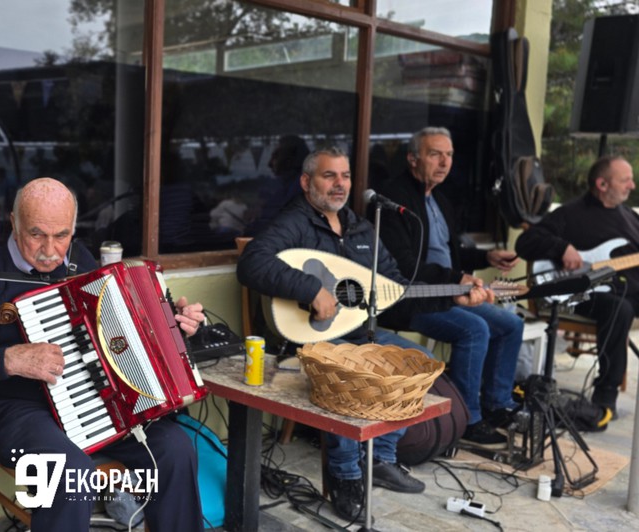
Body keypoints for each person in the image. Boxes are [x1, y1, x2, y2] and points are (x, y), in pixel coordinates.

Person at [0, 177, 207, 532]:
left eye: (62, 235)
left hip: (98, 406)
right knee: (70, 472)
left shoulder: (82, 261)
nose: (50, 250)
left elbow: (123, 340)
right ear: (14, 223)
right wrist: (9, 359)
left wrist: (175, 327)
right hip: (20, 411)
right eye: (36, 234)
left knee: (176, 449)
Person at [237, 146, 490, 523]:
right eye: (329, 176)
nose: (340, 184)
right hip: (307, 340)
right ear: (306, 182)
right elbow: (252, 262)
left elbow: (397, 288)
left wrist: (452, 294)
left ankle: (381, 458)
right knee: (351, 372)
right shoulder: (295, 222)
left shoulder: (361, 229)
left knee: (417, 364)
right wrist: (311, 289)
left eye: (345, 176)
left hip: (358, 334)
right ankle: (345, 475)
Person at [375, 127, 523, 448]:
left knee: (511, 324)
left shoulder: (440, 199)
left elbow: (450, 253)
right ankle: (467, 420)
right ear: (413, 159)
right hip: (411, 299)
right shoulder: (393, 199)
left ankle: (497, 405)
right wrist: (456, 279)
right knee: (475, 329)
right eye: (435, 154)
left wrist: (485, 257)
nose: (444, 162)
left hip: (448, 294)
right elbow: (403, 265)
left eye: (449, 155)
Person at [516, 155, 638, 427]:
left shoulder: (630, 216)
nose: (632, 185)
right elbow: (525, 242)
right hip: (585, 294)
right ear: (602, 184)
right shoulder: (571, 214)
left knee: (624, 305)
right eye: (625, 180)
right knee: (620, 309)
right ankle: (604, 402)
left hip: (630, 290)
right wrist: (562, 248)